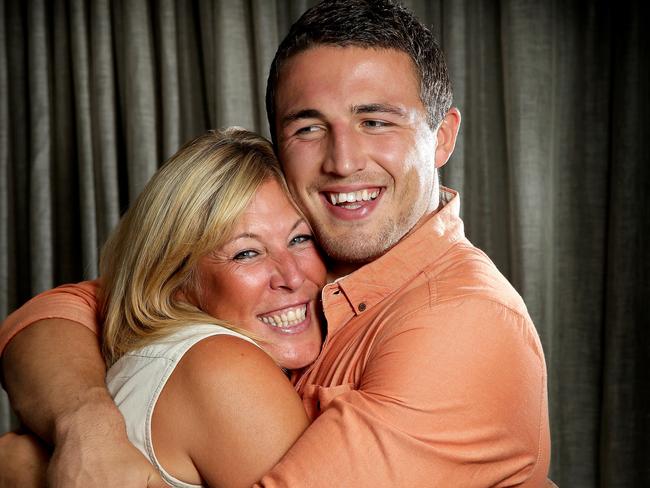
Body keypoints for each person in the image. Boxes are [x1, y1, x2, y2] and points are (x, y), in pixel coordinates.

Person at [0, 0, 553, 486]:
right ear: (279, 145)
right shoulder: (316, 250)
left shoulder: (465, 322)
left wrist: (30, 472)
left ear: (444, 137)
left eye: (377, 121)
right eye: (308, 127)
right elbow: (71, 309)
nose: (343, 161)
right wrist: (82, 424)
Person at [103, 128, 326, 487]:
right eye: (247, 253)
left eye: (299, 238)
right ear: (175, 281)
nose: (292, 276)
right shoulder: (223, 367)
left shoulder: (170, 356)